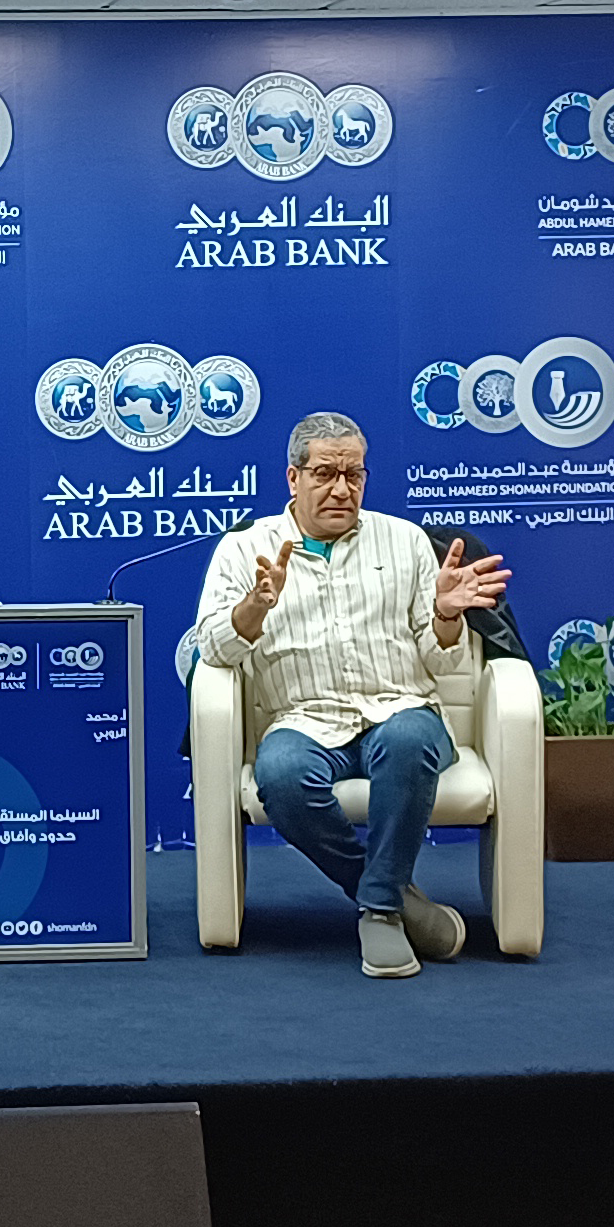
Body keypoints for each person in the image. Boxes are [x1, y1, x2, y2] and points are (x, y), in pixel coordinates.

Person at [191, 411, 512, 979]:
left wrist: (444, 615)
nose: (342, 489)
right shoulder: (244, 550)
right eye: (325, 474)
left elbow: (441, 661)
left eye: (354, 474)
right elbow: (214, 651)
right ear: (294, 478)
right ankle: (396, 900)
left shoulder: (406, 541)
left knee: (409, 740)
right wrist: (255, 607)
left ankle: (380, 912)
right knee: (281, 775)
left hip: (401, 709)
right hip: (304, 719)